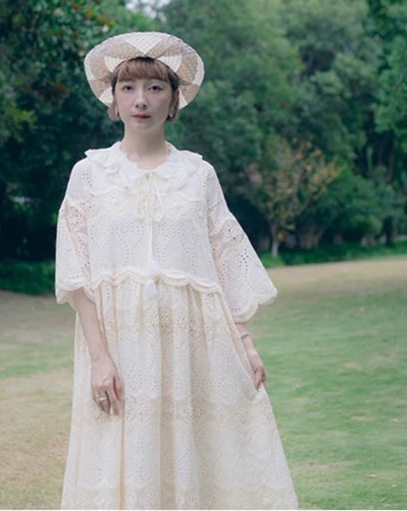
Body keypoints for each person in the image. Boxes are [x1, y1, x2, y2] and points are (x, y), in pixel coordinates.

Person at [56, 31, 298, 510]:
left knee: (195, 455)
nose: (141, 100)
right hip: (120, 342)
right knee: (122, 452)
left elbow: (223, 260)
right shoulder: (89, 174)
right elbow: (76, 275)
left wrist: (246, 343)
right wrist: (100, 358)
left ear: (174, 99)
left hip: (192, 345)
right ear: (112, 98)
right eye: (128, 88)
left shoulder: (198, 175)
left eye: (155, 88)